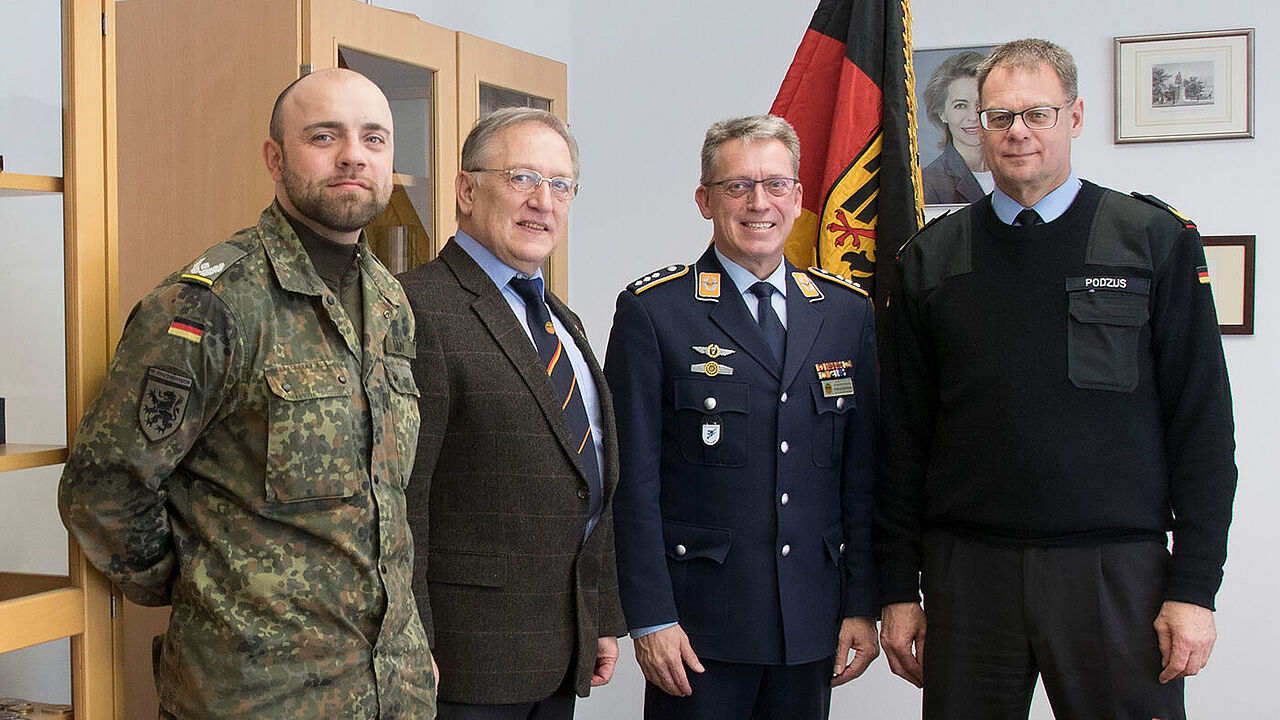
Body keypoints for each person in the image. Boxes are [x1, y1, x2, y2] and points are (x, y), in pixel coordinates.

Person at [58, 68, 436, 718]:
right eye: (325, 136)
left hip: (389, 692)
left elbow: (387, 503)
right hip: (255, 695)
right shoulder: (211, 305)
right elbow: (103, 490)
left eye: (374, 138)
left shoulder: (390, 299)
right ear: (275, 157)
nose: (354, 154)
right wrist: (213, 586)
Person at [877, 38, 1237, 720]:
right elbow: (901, 441)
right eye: (998, 116)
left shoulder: (1151, 240)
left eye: (1037, 113)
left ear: (1074, 118)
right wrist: (898, 588)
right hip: (969, 572)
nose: (1016, 132)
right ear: (975, 126)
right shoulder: (929, 260)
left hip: (1117, 574)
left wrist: (1193, 588)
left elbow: (1204, 430)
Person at [604, 115, 880, 720]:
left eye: (777, 185)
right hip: (701, 625)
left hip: (810, 619)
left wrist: (860, 602)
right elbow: (632, 482)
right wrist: (650, 616)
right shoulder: (655, 312)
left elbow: (859, 479)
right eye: (737, 186)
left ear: (799, 198)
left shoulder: (844, 313)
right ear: (705, 200)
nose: (760, 202)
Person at [398, 107, 624, 719]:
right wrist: (410, 638)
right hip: (463, 658)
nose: (542, 201)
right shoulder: (420, 308)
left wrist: (598, 613)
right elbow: (403, 497)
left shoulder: (557, 317)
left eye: (560, 185)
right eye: (522, 177)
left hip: (554, 649)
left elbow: (589, 472)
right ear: (467, 190)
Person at [921, 50, 991, 204]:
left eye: (981, 105)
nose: (973, 116)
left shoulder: (1017, 168)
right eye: (960, 106)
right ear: (942, 113)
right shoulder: (928, 183)